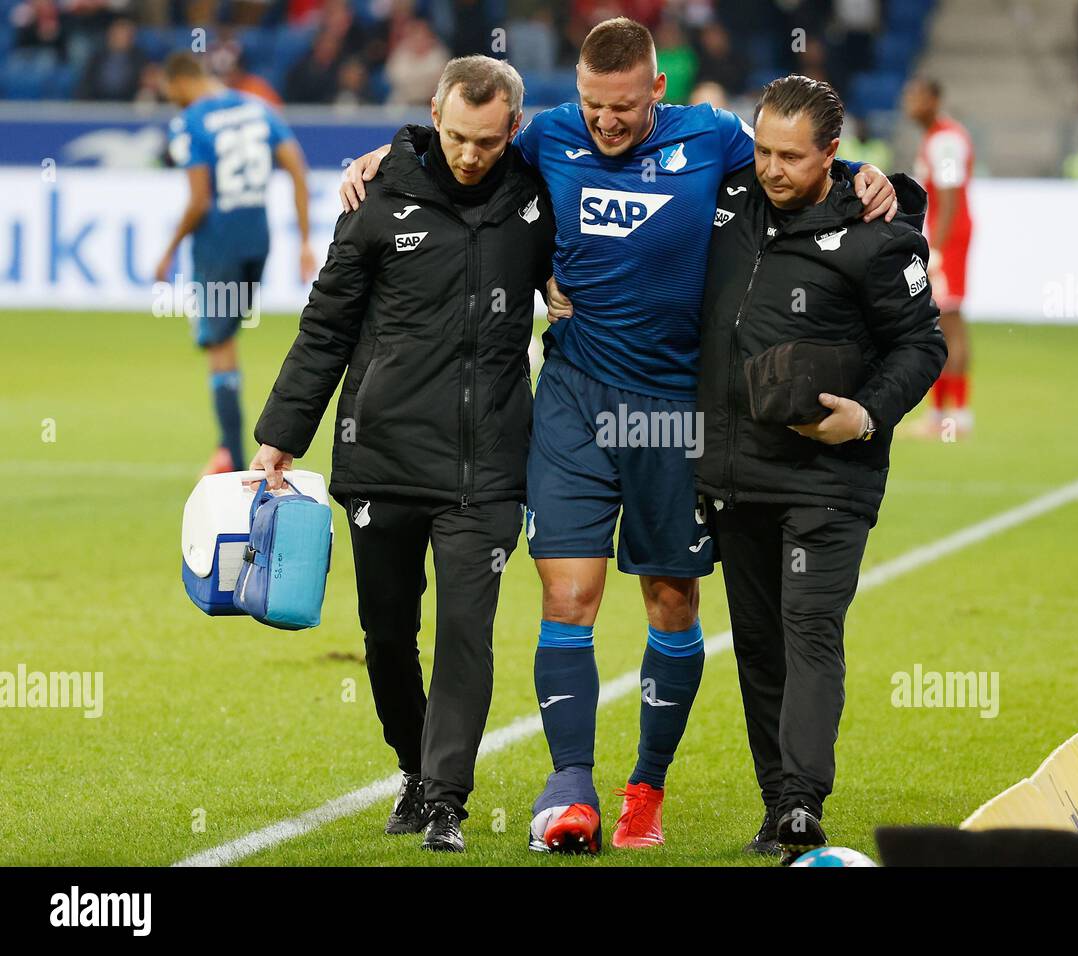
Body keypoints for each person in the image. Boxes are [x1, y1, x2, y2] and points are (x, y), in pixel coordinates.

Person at [340, 16, 900, 856]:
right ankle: (570, 789)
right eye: (596, 105)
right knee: (567, 593)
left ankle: (646, 787)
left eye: (625, 108)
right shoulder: (551, 136)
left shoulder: (712, 137)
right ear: (577, 91)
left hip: (674, 408)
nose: (607, 123)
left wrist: (866, 175)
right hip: (572, 393)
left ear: (658, 90)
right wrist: (394, 151)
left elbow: (801, 161)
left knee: (671, 602)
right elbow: (470, 142)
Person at [250, 56, 556, 854]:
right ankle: (413, 768)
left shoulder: (537, 192)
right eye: (456, 136)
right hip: (379, 453)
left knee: (466, 630)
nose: (468, 155)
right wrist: (280, 435)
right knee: (387, 636)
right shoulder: (378, 193)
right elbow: (327, 325)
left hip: (487, 465)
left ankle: (447, 796)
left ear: (512, 129)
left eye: (487, 142)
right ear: (433, 114)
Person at [695, 75, 946, 863]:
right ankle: (777, 802)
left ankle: (803, 800)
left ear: (834, 155)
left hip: (829, 477)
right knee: (758, 641)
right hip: (736, 471)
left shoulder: (878, 235)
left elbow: (922, 346)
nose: (771, 169)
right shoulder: (726, 200)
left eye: (791, 158)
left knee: (808, 628)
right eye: (763, 150)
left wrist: (866, 415)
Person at [155, 52, 315, 476]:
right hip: (258, 242)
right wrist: (303, 241)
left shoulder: (189, 121)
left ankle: (230, 451)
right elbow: (298, 170)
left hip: (218, 245)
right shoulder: (257, 107)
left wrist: (169, 248)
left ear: (179, 82)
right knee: (228, 338)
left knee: (219, 347)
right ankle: (229, 445)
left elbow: (200, 200)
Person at [901, 75, 974, 438]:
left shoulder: (945, 140)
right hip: (948, 236)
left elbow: (948, 197)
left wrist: (939, 251)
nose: (908, 103)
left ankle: (956, 418)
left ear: (932, 99)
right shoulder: (936, 137)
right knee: (942, 323)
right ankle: (943, 414)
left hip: (951, 238)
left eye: (914, 96)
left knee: (950, 323)